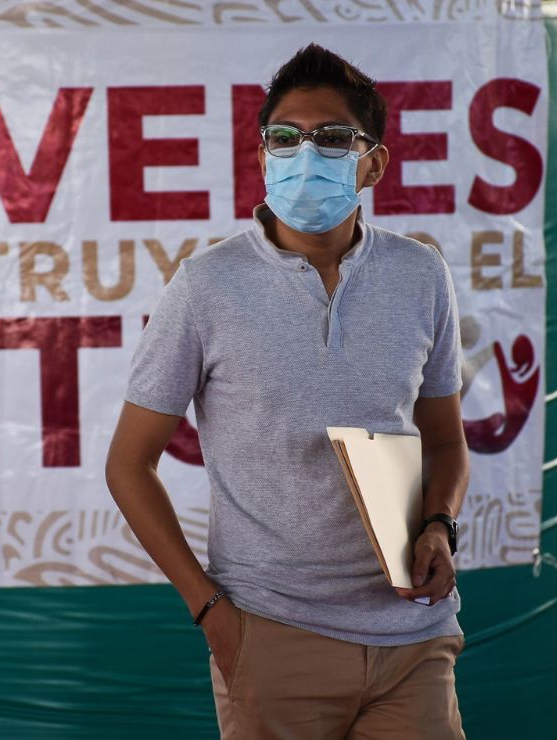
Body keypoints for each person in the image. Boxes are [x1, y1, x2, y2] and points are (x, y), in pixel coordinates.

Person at [105, 43, 469, 740]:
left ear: (373, 164)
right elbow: (128, 464)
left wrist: (438, 527)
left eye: (332, 139)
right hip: (270, 633)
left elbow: (446, 439)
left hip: (412, 636)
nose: (305, 154)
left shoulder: (419, 274)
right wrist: (211, 612)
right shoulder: (207, 284)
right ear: (262, 155)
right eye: (284, 138)